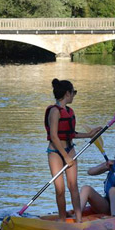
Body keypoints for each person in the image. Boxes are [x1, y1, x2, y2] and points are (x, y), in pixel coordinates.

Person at [45, 79, 101, 222]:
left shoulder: (70, 111)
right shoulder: (54, 111)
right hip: (56, 152)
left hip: (70, 149)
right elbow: (54, 136)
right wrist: (65, 156)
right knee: (60, 189)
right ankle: (63, 219)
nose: (74, 95)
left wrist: (88, 135)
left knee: (73, 186)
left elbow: (71, 133)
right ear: (67, 93)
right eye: (73, 92)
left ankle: (79, 218)